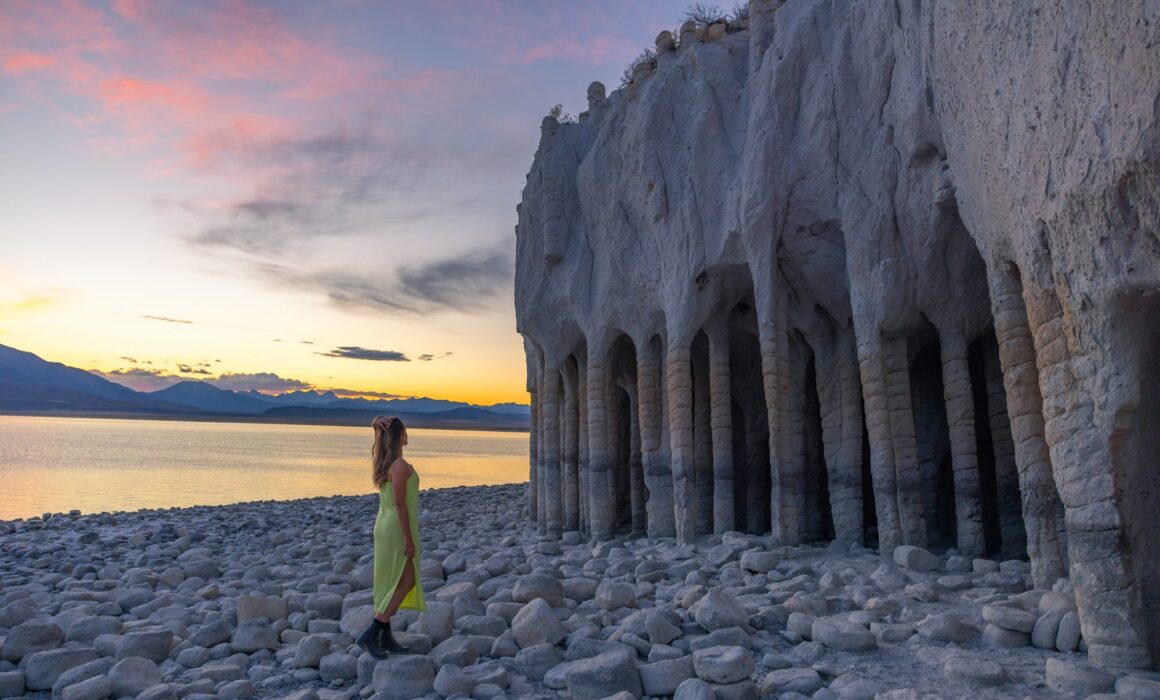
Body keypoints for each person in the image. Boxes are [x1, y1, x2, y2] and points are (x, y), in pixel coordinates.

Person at [356, 415, 427, 658]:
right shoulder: (398, 466)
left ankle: (385, 636)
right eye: (405, 431)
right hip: (395, 528)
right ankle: (372, 632)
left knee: (397, 581)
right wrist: (408, 540)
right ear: (398, 436)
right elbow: (399, 503)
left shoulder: (390, 464)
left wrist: (375, 421)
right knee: (406, 580)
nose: (408, 434)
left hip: (388, 526)